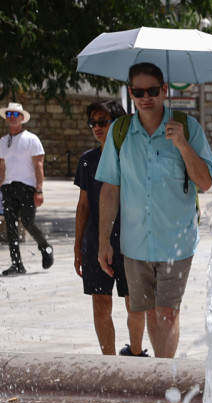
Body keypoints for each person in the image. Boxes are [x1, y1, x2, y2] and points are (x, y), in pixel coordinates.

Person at [96, 62, 212, 359]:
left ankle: (166, 381)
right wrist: (103, 241)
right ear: (130, 92)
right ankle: (162, 379)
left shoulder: (187, 128)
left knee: (166, 313)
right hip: (136, 242)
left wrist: (182, 144)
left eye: (152, 90)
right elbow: (111, 189)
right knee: (148, 312)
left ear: (164, 90)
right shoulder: (120, 132)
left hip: (176, 241)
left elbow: (205, 182)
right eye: (138, 91)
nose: (145, 96)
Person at [73, 100, 147, 357]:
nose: (97, 127)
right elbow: (83, 206)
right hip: (97, 241)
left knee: (134, 302)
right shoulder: (87, 161)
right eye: (93, 122)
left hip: (131, 240)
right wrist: (78, 247)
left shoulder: (134, 158)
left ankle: (136, 353)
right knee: (100, 303)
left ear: (118, 123)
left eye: (103, 122)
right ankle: (109, 360)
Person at [0, 102, 52, 276]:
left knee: (28, 222)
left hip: (26, 188)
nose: (11, 118)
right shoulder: (3, 141)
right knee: (10, 226)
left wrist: (39, 190)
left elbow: (39, 165)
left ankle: (45, 247)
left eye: (15, 115)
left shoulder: (32, 139)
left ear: (22, 118)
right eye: (9, 115)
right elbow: (2, 167)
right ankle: (17, 264)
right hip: (8, 187)